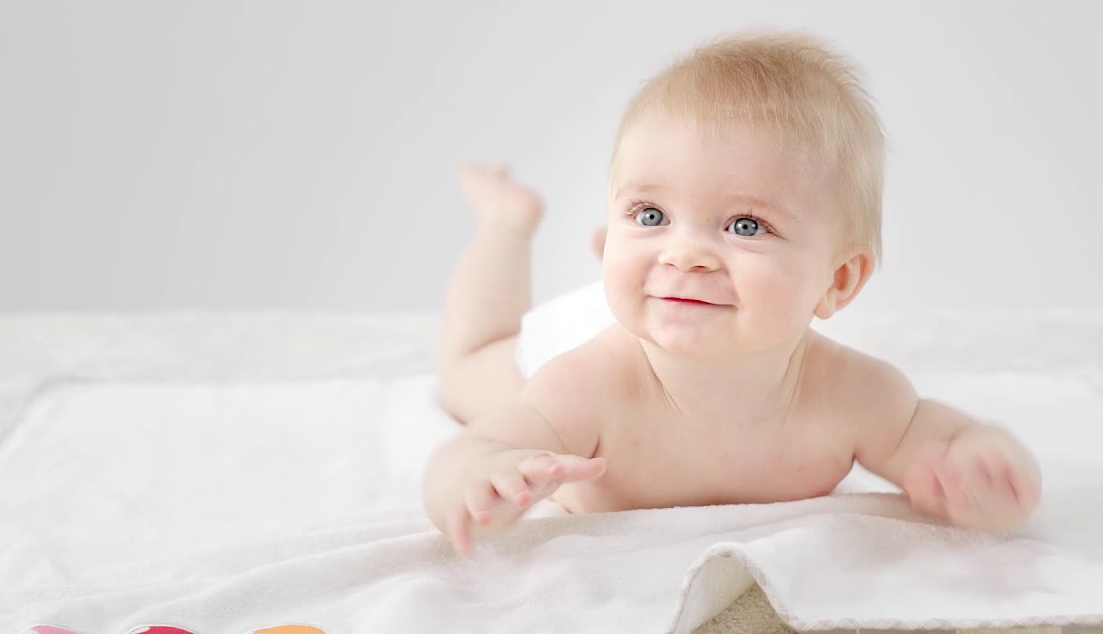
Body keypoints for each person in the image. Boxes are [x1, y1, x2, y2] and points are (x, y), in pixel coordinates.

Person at [423, 31, 1041, 556]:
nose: (685, 252)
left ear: (838, 280)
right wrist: (480, 479)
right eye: (650, 214)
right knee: (470, 366)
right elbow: (465, 457)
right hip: (590, 333)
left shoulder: (855, 396)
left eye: (746, 226)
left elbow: (943, 443)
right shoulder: (584, 385)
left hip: (668, 300)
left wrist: (983, 463)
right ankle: (506, 221)